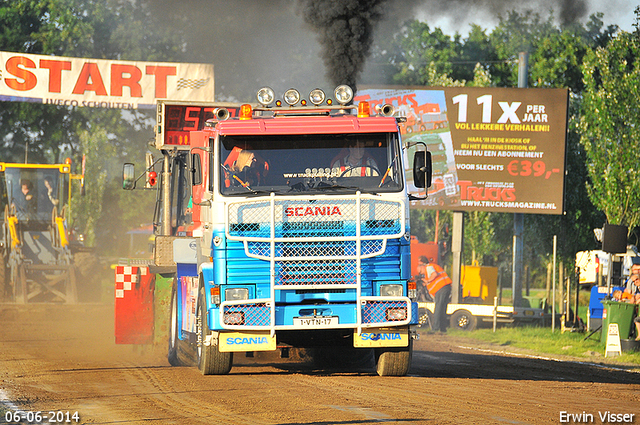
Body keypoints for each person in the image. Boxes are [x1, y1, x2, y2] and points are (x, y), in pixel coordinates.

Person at [419, 255, 452, 333]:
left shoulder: (429, 267)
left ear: (422, 264)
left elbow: (434, 274)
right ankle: (443, 329)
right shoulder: (431, 267)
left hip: (441, 288)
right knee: (442, 308)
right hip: (445, 287)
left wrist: (427, 281)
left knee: (438, 308)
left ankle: (435, 328)